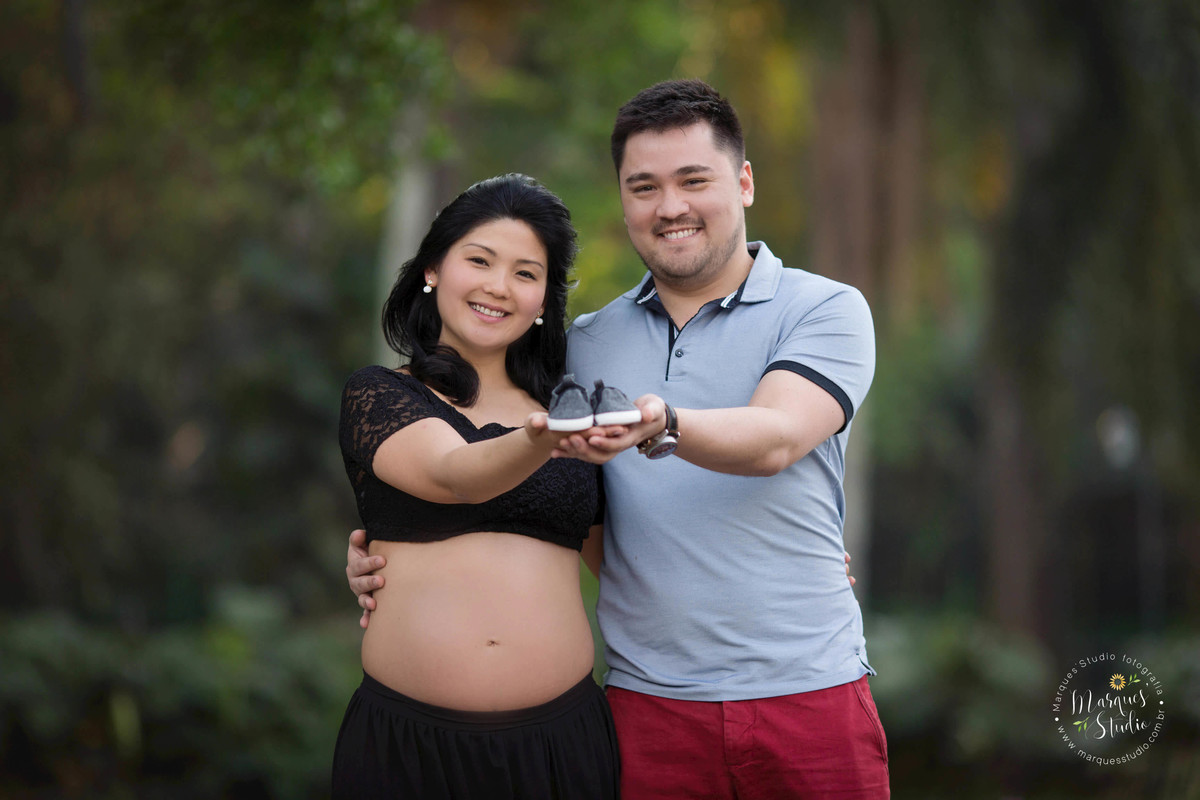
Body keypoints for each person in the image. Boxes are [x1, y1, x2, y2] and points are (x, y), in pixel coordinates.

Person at [350, 80, 888, 799]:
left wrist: (665, 424)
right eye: (644, 187)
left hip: (809, 692)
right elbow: (537, 493)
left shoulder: (824, 308)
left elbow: (778, 437)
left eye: (693, 180)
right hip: (647, 704)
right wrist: (388, 543)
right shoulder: (586, 347)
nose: (670, 207)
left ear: (744, 183)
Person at [333, 173, 639, 799]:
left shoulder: (571, 418)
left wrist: (776, 571)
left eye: (526, 273)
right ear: (432, 269)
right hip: (408, 749)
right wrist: (547, 435)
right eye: (479, 260)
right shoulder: (380, 394)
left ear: (544, 299)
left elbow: (628, 568)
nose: (499, 286)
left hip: (561, 746)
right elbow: (453, 475)